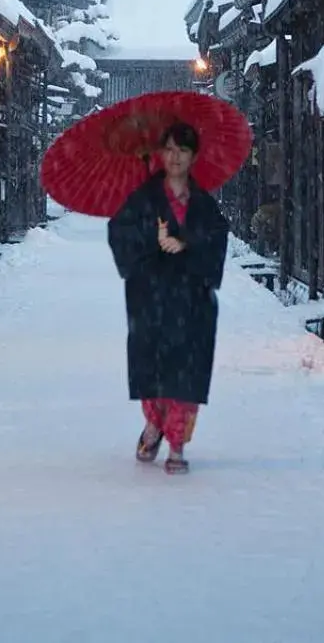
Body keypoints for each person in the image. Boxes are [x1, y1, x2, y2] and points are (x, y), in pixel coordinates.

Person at [106, 121, 229, 475]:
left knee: (188, 371)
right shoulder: (144, 198)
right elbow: (119, 230)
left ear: (194, 157)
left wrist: (186, 241)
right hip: (152, 295)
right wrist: (151, 240)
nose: (175, 157)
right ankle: (154, 423)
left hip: (192, 298)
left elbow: (216, 237)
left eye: (183, 150)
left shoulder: (204, 204)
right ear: (160, 154)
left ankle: (177, 443)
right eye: (170, 149)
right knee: (154, 367)